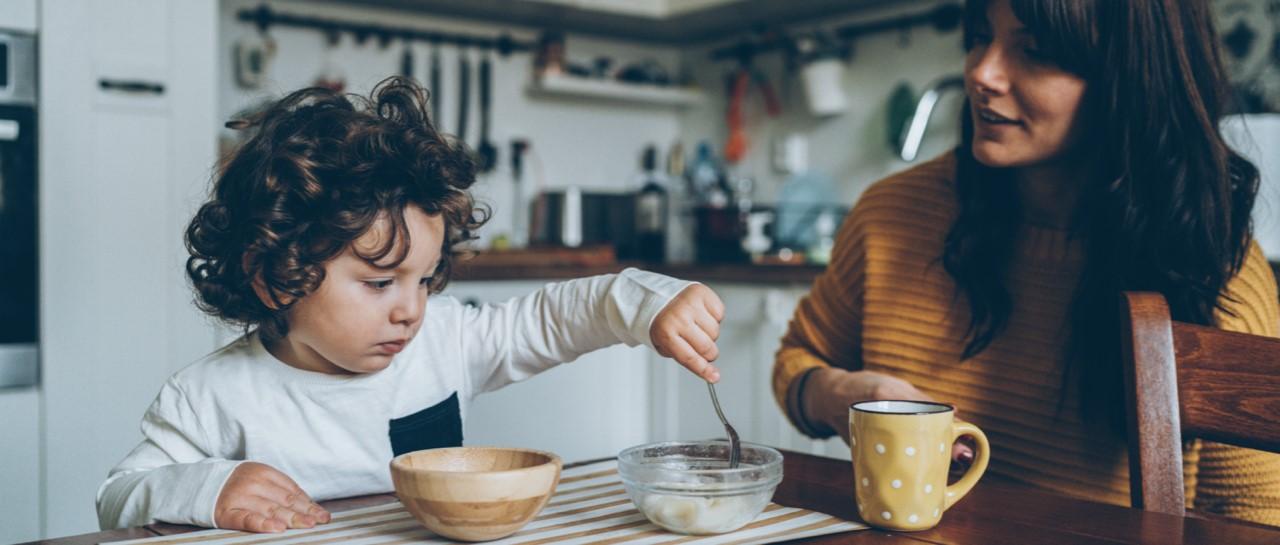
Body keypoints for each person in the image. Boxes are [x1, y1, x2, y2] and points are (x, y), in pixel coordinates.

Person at [96, 77, 726, 532]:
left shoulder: (443, 343)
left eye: (424, 280)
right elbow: (117, 496)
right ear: (274, 278)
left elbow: (553, 319)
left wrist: (647, 302)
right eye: (379, 283)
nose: (410, 310)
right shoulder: (208, 396)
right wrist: (209, 488)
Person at [774, 0, 1280, 525]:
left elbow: (1256, 520)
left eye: (1036, 51)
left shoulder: (1215, 269)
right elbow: (797, 361)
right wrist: (838, 395)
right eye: (977, 37)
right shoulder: (891, 213)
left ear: (1130, 76)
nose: (981, 73)